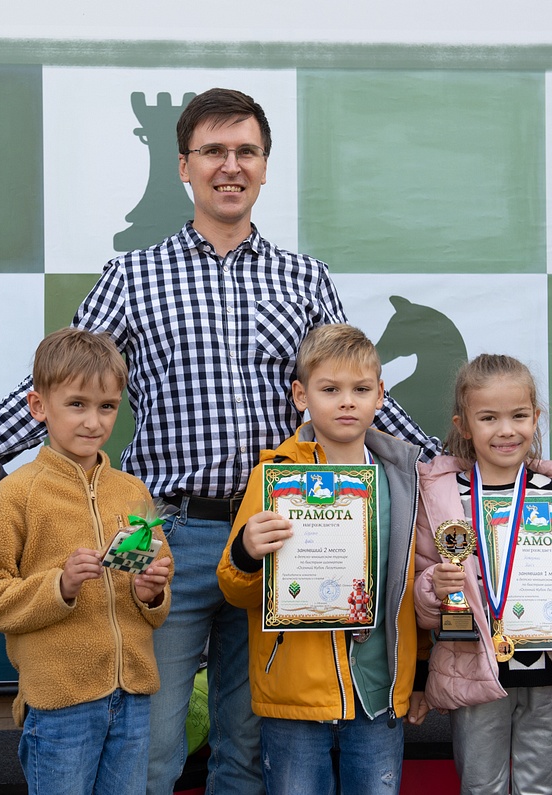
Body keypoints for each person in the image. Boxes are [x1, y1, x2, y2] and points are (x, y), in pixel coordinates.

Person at [0, 87, 438, 794]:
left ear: (265, 166)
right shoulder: (133, 276)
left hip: (279, 535)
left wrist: (452, 467)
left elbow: (356, 391)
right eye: (214, 152)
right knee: (153, 745)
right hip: (165, 537)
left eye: (246, 152)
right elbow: (56, 382)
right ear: (184, 167)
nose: (230, 166)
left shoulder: (304, 277)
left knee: (247, 747)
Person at [216, 323, 427, 794]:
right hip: (296, 694)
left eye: (361, 389)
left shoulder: (404, 480)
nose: (347, 401)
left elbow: (410, 587)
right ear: (300, 394)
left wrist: (420, 674)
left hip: (376, 692)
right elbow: (234, 589)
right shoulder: (276, 476)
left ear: (380, 395)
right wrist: (248, 553)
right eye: (330, 389)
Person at [0, 328, 173, 795]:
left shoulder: (132, 491)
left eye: (106, 407)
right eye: (76, 404)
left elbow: (157, 589)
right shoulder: (17, 493)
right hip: (60, 705)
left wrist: (151, 592)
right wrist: (59, 587)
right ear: (39, 407)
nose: (93, 422)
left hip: (133, 696)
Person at [412, 354, 552, 795]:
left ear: (536, 418)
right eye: (489, 417)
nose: (506, 429)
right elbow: (420, 591)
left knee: (541, 787)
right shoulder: (444, 497)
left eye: (518, 416)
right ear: (463, 424)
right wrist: (432, 588)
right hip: (474, 667)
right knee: (480, 785)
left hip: (547, 669)